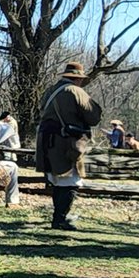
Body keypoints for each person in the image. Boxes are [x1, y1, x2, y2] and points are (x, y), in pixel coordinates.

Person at [36, 62, 104, 230]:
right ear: (78, 79)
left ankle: (58, 218)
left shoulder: (50, 91)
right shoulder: (76, 91)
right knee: (70, 180)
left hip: (47, 142)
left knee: (59, 182)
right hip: (65, 142)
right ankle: (60, 220)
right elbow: (94, 116)